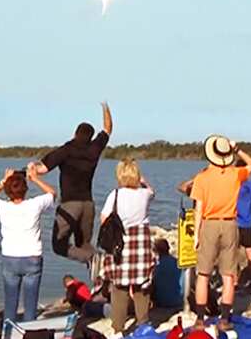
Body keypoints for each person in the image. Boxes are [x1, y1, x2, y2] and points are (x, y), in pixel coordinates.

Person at [29, 102, 113, 264]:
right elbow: (108, 128)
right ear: (91, 136)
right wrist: (105, 107)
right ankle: (98, 274)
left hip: (69, 205)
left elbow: (43, 169)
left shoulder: (66, 150)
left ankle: (95, 259)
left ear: (75, 133)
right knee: (85, 245)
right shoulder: (94, 149)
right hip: (88, 205)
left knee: (59, 245)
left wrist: (32, 168)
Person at [190, 135, 251, 331]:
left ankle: (201, 319)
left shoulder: (201, 178)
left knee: (203, 274)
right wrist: (238, 150)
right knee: (229, 275)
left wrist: (196, 235)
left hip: (209, 224)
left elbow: (199, 209)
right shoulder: (235, 174)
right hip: (230, 224)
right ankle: (225, 319)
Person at [0, 167, 56, 324]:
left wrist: (3, 180)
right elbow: (52, 193)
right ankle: (28, 332)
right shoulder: (35, 204)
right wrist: (35, 178)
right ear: (25, 189)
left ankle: (9, 333)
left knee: (10, 304)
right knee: (30, 306)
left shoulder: (1, 206)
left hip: (10, 257)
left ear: (7, 190)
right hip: (32, 257)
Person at [101, 158, 156, 334]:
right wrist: (143, 181)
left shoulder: (115, 194)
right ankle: (143, 323)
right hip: (141, 242)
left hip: (121, 243)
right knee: (142, 286)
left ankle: (118, 327)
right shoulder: (144, 194)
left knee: (119, 288)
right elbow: (152, 191)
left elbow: (104, 219)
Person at [235, 159, 251, 288]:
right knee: (250, 252)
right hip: (248, 222)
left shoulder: (235, 185)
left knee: (233, 253)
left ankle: (235, 280)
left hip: (236, 222)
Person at [151, 239, 183, 308]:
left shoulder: (158, 266)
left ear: (156, 251)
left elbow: (154, 282)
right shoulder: (177, 262)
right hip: (178, 300)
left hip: (163, 301)